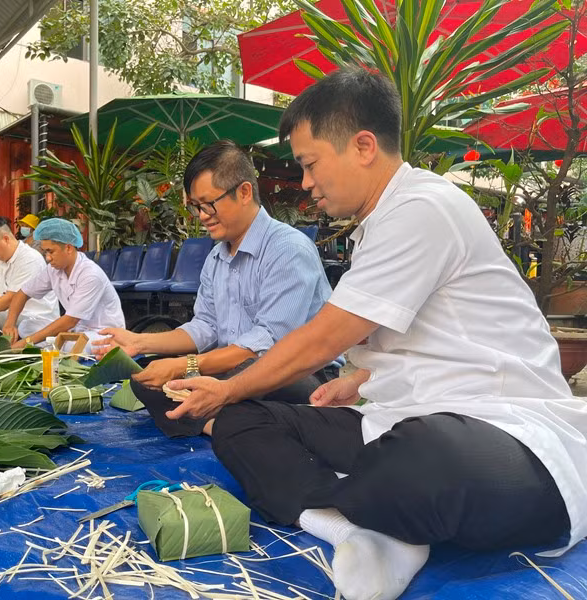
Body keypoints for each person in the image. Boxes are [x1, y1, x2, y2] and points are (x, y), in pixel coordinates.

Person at [163, 68, 587, 600]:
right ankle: (353, 523)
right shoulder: (377, 225)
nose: (306, 183)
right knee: (241, 422)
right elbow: (412, 337)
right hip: (393, 422)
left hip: (495, 427)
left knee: (424, 453)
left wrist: (221, 383)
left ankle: (370, 506)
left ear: (363, 145)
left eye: (310, 164)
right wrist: (361, 379)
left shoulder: (423, 208)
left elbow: (323, 338)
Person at [95, 140, 342, 438]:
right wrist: (139, 343)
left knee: (245, 376)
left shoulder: (287, 249)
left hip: (296, 373)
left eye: (208, 203)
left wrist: (184, 366)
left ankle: (220, 423)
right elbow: (205, 327)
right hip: (232, 366)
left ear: (244, 192)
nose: (202, 216)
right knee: (145, 377)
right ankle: (223, 426)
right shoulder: (217, 257)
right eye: (196, 207)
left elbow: (269, 345)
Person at [3, 218, 124, 351]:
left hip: (101, 333)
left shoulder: (91, 275)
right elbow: (23, 293)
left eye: (51, 251)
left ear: (68, 248)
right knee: (26, 327)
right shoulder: (53, 269)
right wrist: (10, 324)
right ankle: (54, 346)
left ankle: (54, 347)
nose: (47, 258)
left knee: (71, 346)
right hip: (75, 330)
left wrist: (26, 342)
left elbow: (70, 321)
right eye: (45, 252)